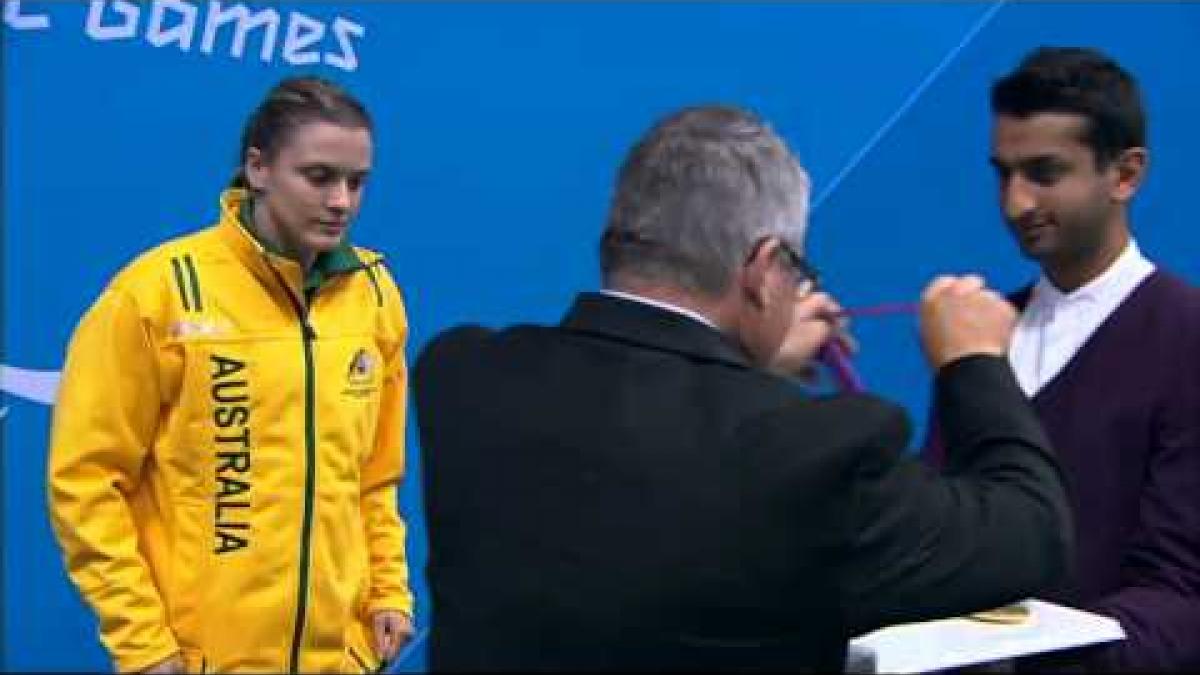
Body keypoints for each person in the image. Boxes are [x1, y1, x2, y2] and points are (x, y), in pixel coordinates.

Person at [412, 105, 1073, 671]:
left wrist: (741, 367)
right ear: (763, 269)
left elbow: (652, 465)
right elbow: (1030, 532)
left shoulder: (462, 379)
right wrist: (974, 361)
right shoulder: (810, 453)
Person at [47, 76, 415, 673]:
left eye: (357, 182)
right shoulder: (159, 292)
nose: (342, 201)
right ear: (258, 167)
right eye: (319, 177)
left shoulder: (374, 294)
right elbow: (86, 481)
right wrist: (141, 641)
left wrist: (388, 591)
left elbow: (374, 477)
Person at [972, 46, 1197, 671]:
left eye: (1044, 173)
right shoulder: (981, 337)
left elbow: (1183, 591)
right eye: (1003, 173)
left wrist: (1030, 659)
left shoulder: (1188, 337)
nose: (1015, 202)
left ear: (1126, 174)